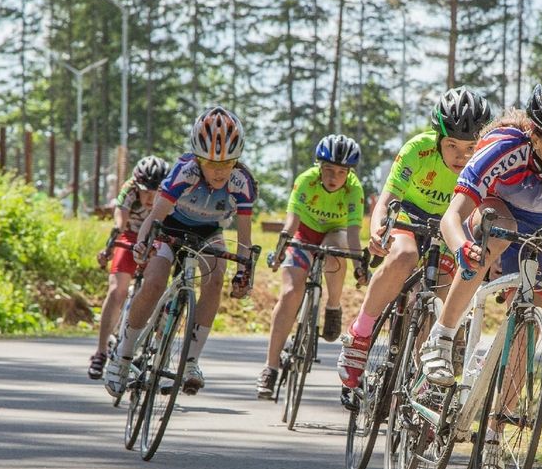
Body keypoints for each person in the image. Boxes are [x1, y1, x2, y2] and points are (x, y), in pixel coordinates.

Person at [420, 78, 542, 388]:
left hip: (535, 225)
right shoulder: (504, 149)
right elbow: (452, 217)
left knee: (532, 316)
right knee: (500, 231)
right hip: (491, 209)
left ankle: (500, 417)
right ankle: (441, 338)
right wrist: (462, 248)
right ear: (536, 137)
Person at [335, 87, 491, 409]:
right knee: (404, 255)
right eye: (452, 145)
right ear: (438, 138)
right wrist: (377, 231)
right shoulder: (417, 150)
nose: (461, 156)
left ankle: (423, 383)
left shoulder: (485, 160)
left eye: (470, 148)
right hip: (409, 214)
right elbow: (387, 200)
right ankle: (361, 333)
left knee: (446, 293)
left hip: (450, 225)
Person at [104, 106, 257, 398]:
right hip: (171, 227)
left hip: (209, 231)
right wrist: (142, 244)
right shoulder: (185, 171)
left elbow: (245, 238)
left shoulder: (242, 182)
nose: (219, 171)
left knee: (216, 277)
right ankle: (123, 355)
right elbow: (155, 216)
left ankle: (190, 361)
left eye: (227, 163)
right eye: (210, 163)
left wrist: (244, 272)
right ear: (198, 159)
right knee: (154, 281)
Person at [256, 134, 367, 399]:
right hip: (304, 234)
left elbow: (353, 234)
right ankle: (270, 367)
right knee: (289, 293)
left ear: (349, 173)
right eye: (328, 169)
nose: (334, 177)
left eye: (341, 172)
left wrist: (359, 267)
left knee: (335, 249)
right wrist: (279, 252)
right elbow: (290, 223)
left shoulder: (354, 189)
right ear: (319, 167)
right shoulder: (306, 180)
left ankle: (333, 306)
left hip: (334, 233)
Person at [87, 156, 169, 380]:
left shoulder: (171, 192)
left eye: (155, 192)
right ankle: (101, 352)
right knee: (117, 290)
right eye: (145, 192)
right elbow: (119, 224)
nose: (150, 198)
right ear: (137, 186)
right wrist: (109, 248)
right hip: (131, 235)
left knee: (158, 291)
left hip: (156, 238)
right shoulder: (129, 189)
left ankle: (153, 350)